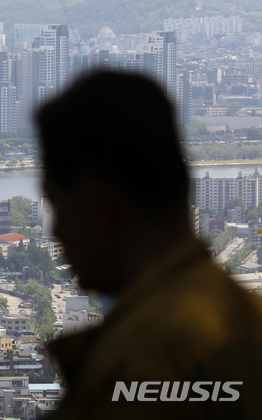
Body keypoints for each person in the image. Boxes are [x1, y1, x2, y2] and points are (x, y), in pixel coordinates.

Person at [37, 72, 262, 419]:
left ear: (102, 209)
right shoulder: (247, 315)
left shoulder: (140, 358)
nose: (56, 231)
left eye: (58, 208)